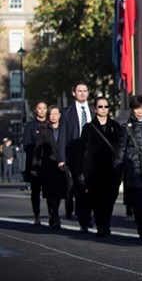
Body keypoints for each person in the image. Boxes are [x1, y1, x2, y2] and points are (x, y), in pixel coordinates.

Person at [116, 95, 142, 239]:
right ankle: (141, 225)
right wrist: (118, 167)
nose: (140, 112)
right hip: (133, 168)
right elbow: (121, 149)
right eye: (136, 109)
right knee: (137, 200)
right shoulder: (126, 127)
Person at [80, 97, 122, 237]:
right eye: (100, 106)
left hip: (112, 169)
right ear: (95, 109)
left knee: (110, 200)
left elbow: (121, 148)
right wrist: (83, 171)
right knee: (98, 200)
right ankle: (101, 226)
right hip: (95, 170)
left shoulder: (116, 126)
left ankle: (106, 224)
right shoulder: (88, 128)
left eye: (106, 106)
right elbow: (83, 151)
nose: (103, 109)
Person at [58, 80, 95, 231]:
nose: (82, 93)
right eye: (79, 91)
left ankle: (90, 213)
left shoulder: (94, 110)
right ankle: (83, 219)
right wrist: (62, 158)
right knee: (79, 188)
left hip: (92, 156)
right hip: (75, 156)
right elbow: (62, 137)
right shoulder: (67, 112)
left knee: (92, 187)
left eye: (85, 91)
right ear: (74, 93)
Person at [32, 105, 68, 229]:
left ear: (60, 115)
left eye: (56, 114)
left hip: (61, 165)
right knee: (50, 192)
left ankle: (54, 213)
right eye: (51, 114)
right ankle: (55, 215)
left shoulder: (64, 129)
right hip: (48, 166)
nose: (53, 116)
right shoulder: (44, 129)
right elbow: (38, 149)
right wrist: (35, 167)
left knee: (58, 193)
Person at [22, 101, 49, 225]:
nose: (42, 110)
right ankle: (37, 215)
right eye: (40, 108)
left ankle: (53, 215)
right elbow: (26, 145)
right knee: (36, 191)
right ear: (35, 110)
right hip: (35, 164)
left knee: (50, 190)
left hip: (49, 163)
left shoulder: (50, 124)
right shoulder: (30, 126)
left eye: (44, 108)